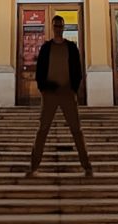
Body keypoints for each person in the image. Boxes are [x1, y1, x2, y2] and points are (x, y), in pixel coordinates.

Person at [26, 15, 93, 177]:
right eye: (55, 26)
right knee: (42, 130)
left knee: (76, 130)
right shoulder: (46, 48)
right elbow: (40, 70)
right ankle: (33, 167)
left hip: (67, 93)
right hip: (49, 94)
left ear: (63, 28)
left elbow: (77, 69)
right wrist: (43, 88)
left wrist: (73, 89)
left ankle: (87, 166)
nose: (58, 28)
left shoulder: (71, 47)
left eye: (60, 26)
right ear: (52, 27)